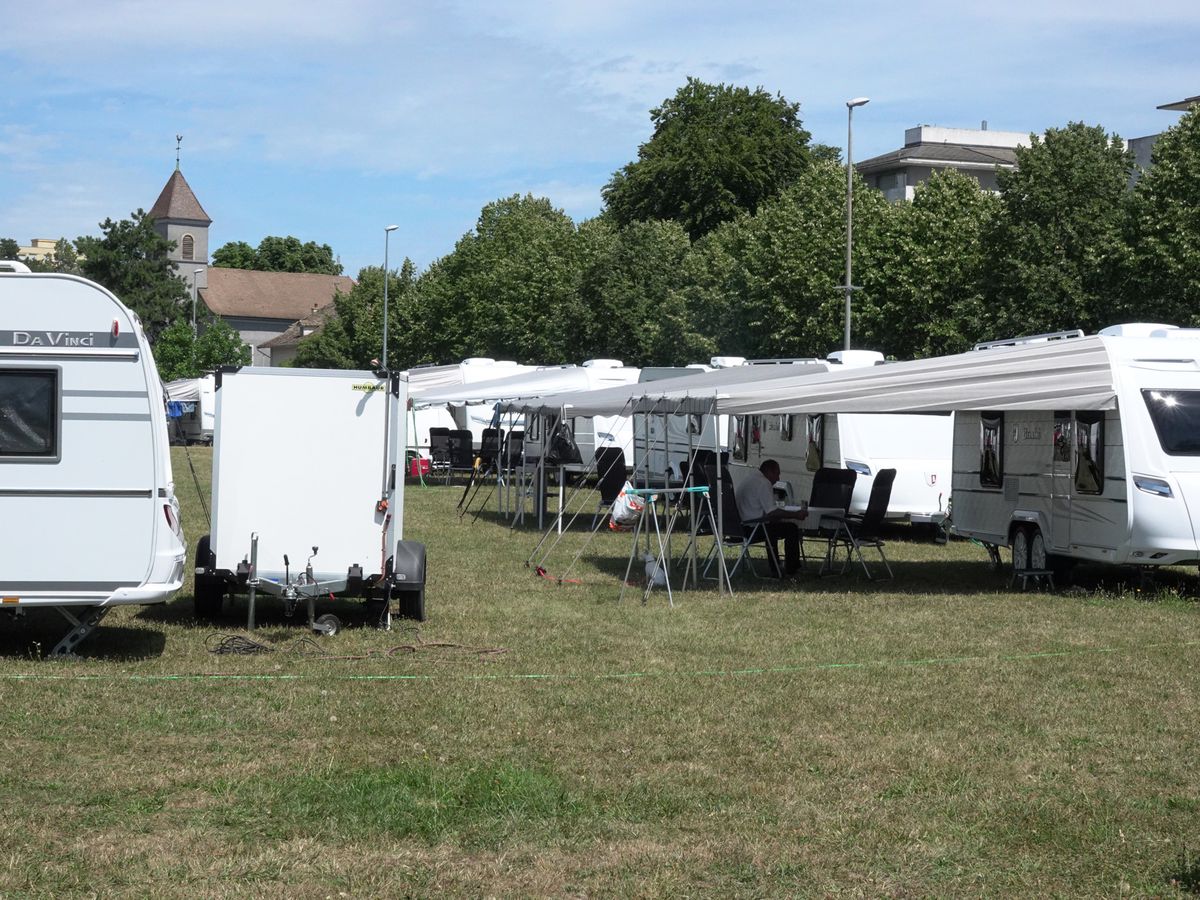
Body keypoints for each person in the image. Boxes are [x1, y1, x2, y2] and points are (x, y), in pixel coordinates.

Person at [734, 459, 806, 577]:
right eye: (777, 474)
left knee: (772, 528)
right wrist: (796, 515)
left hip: (740, 526)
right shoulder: (763, 482)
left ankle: (775, 566)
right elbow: (772, 512)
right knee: (791, 528)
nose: (778, 478)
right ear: (769, 471)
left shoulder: (749, 478)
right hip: (753, 528)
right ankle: (792, 568)